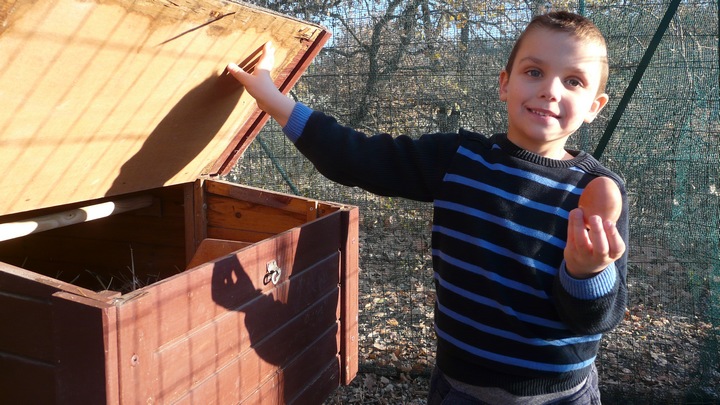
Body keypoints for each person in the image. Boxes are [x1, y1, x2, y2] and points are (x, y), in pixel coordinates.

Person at [228, 10, 628, 404]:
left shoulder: (596, 191)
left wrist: (586, 272)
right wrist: (275, 101)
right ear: (505, 83)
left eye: (573, 81)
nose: (551, 90)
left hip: (561, 395)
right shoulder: (459, 160)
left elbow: (598, 319)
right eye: (534, 72)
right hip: (461, 389)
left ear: (595, 106)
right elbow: (357, 158)